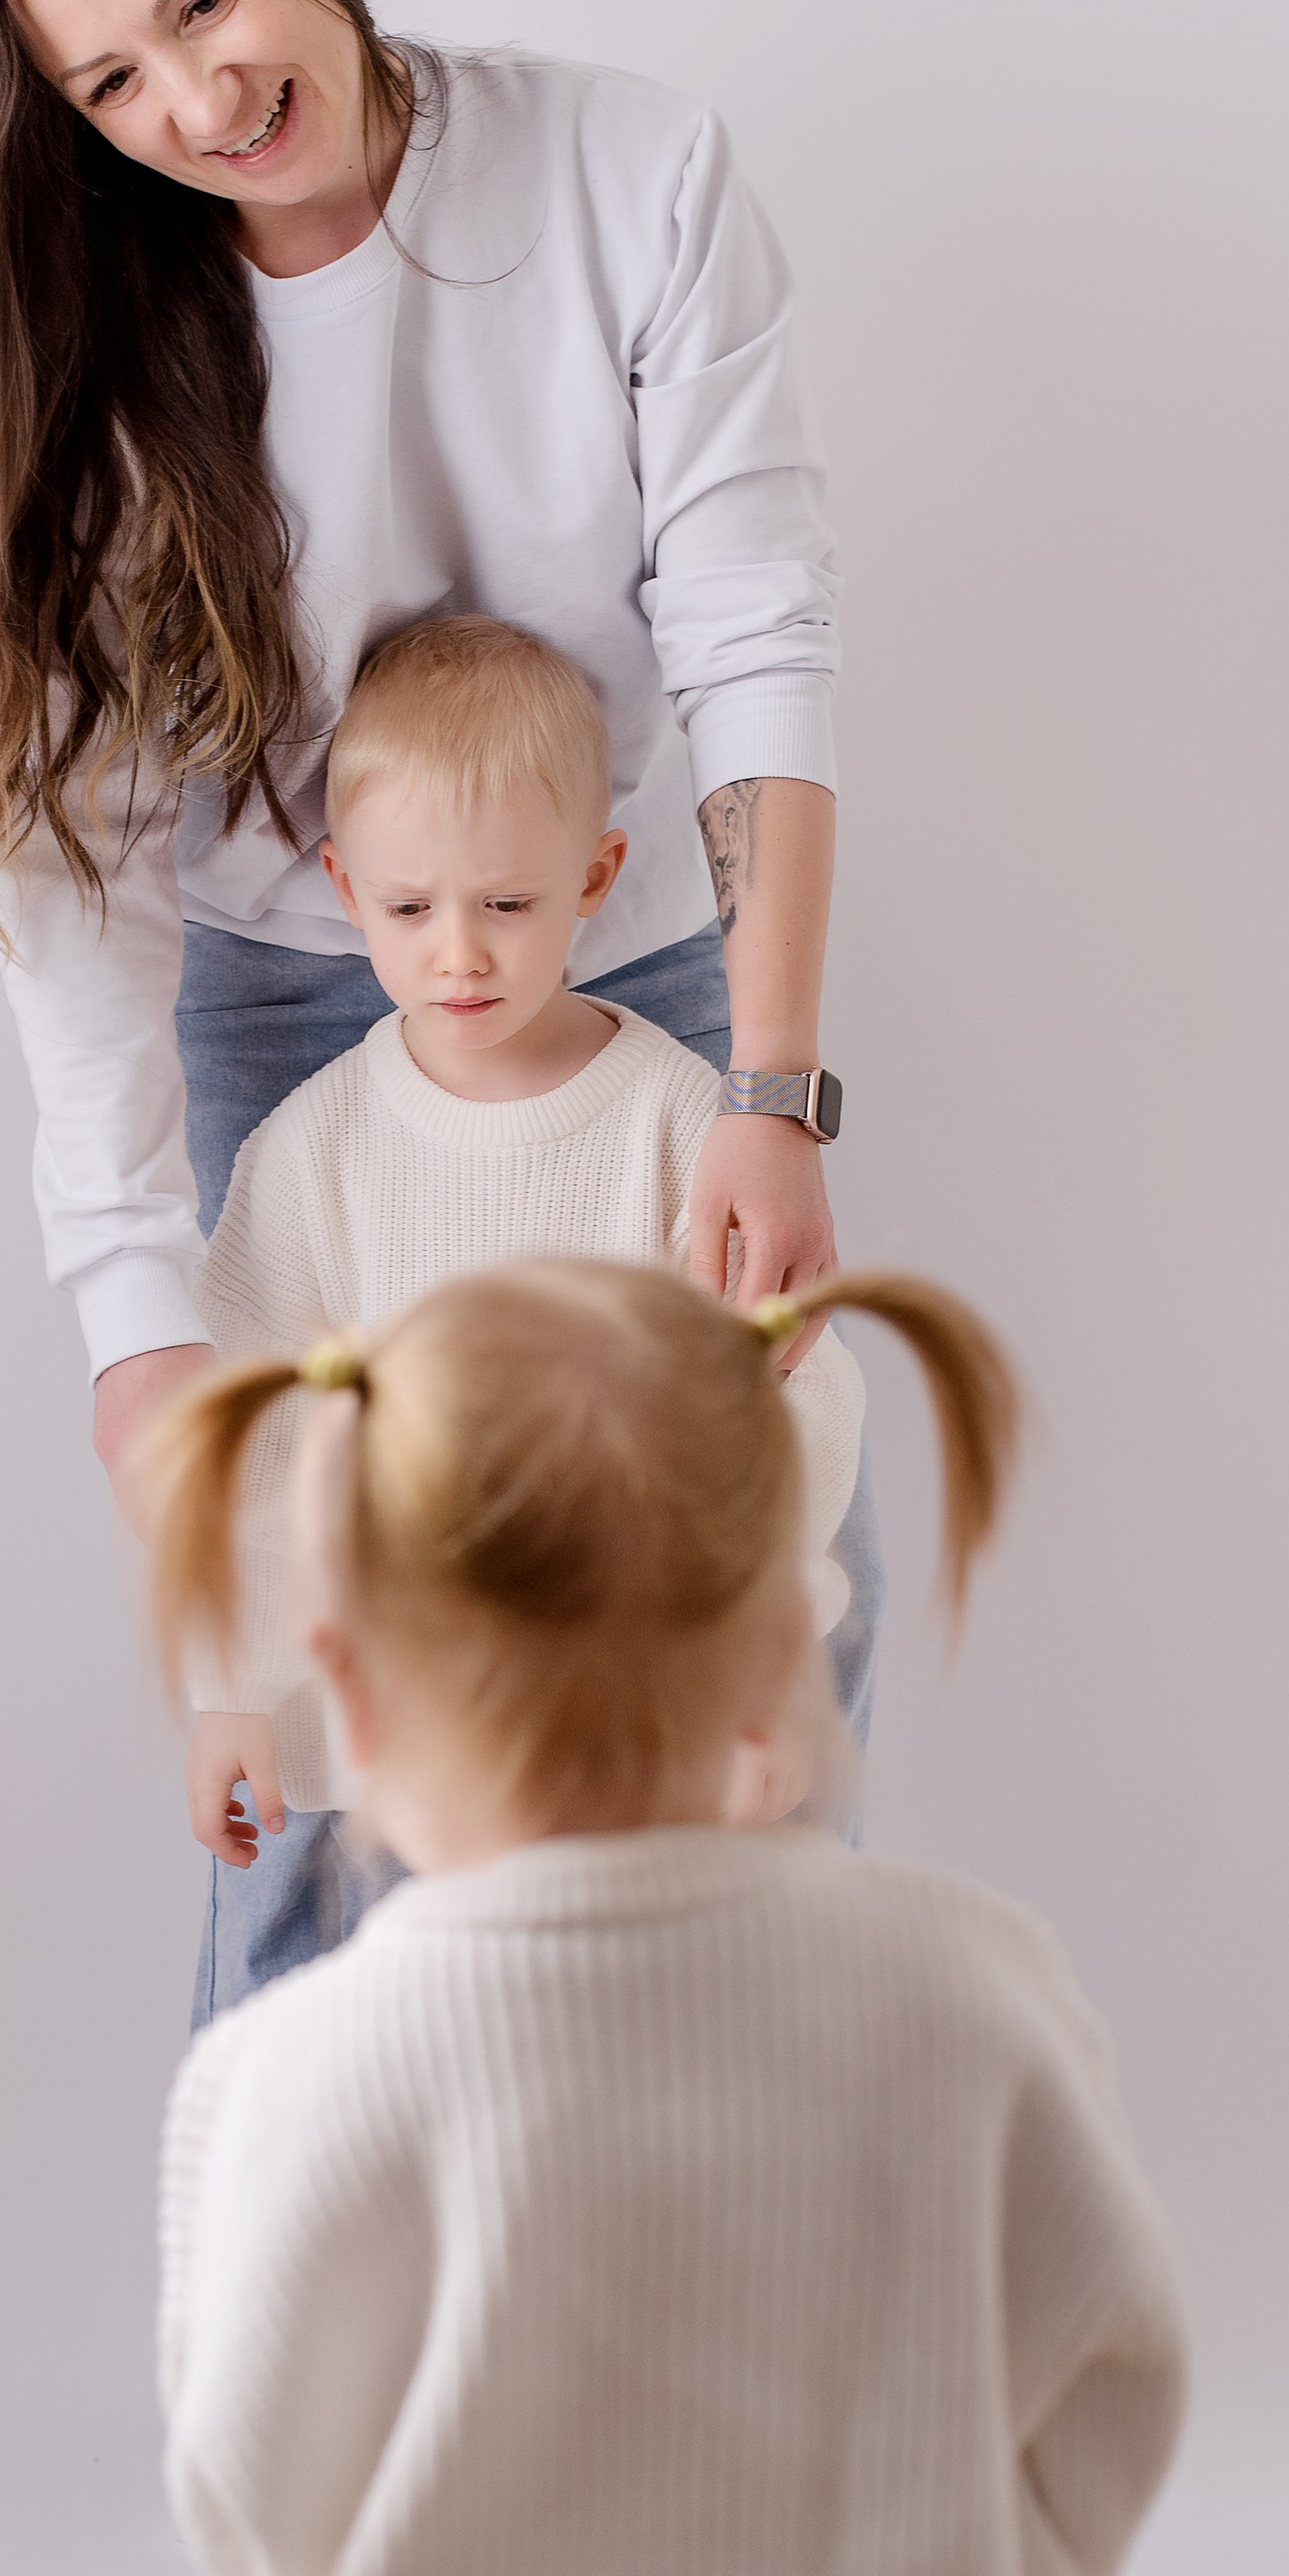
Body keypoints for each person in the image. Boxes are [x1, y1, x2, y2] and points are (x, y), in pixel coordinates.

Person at [0, 0, 884, 1755]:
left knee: (751, 1612)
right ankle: (307, 2082)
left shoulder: (627, 174)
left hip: (625, 966)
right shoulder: (88, 355)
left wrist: (768, 1085)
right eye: (110, 80)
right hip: (276, 1008)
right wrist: (134, 1315)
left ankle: (739, 2043)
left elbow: (753, 631)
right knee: (330, 1662)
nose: (199, 92)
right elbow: (69, 865)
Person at [146, 1258, 1187, 2576]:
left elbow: (247, 2495)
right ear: (802, 1629)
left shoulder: (295, 2069)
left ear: (348, 1697)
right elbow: (1110, 2389)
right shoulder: (973, 1995)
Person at [182, 614, 866, 2019]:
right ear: (344, 888)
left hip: (627, 1715)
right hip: (398, 1734)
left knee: (627, 2035)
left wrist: (762, 1651)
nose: (460, 958)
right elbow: (239, 1439)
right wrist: (231, 1694)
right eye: (411, 908)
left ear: (596, 880)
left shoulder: (679, 1127)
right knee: (349, 2033)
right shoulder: (315, 1153)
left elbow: (794, 1400)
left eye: (505, 905)